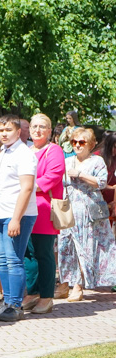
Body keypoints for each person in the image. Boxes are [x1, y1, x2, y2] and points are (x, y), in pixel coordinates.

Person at [0, 115, 37, 322]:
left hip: (18, 215)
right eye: (1, 130)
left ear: (18, 132)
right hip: (1, 213)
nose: (4, 134)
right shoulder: (4, 153)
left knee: (14, 260)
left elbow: (26, 188)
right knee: (3, 260)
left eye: (8, 130)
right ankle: (7, 302)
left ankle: (16, 305)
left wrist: (16, 218)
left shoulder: (24, 154)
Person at [58, 128, 116, 300]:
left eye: (81, 142)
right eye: (74, 142)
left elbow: (101, 182)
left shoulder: (97, 161)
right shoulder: (68, 161)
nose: (77, 145)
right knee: (65, 246)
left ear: (90, 145)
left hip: (89, 212)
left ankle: (78, 286)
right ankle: (64, 283)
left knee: (85, 247)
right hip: (69, 211)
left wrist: (81, 175)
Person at [22, 114, 65, 315]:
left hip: (44, 210)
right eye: (34, 126)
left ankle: (47, 297)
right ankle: (32, 292)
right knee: (28, 254)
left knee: (44, 254)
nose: (37, 130)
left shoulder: (54, 151)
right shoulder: (26, 151)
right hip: (25, 209)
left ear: (49, 131)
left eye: (42, 127)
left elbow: (53, 176)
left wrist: (27, 187)